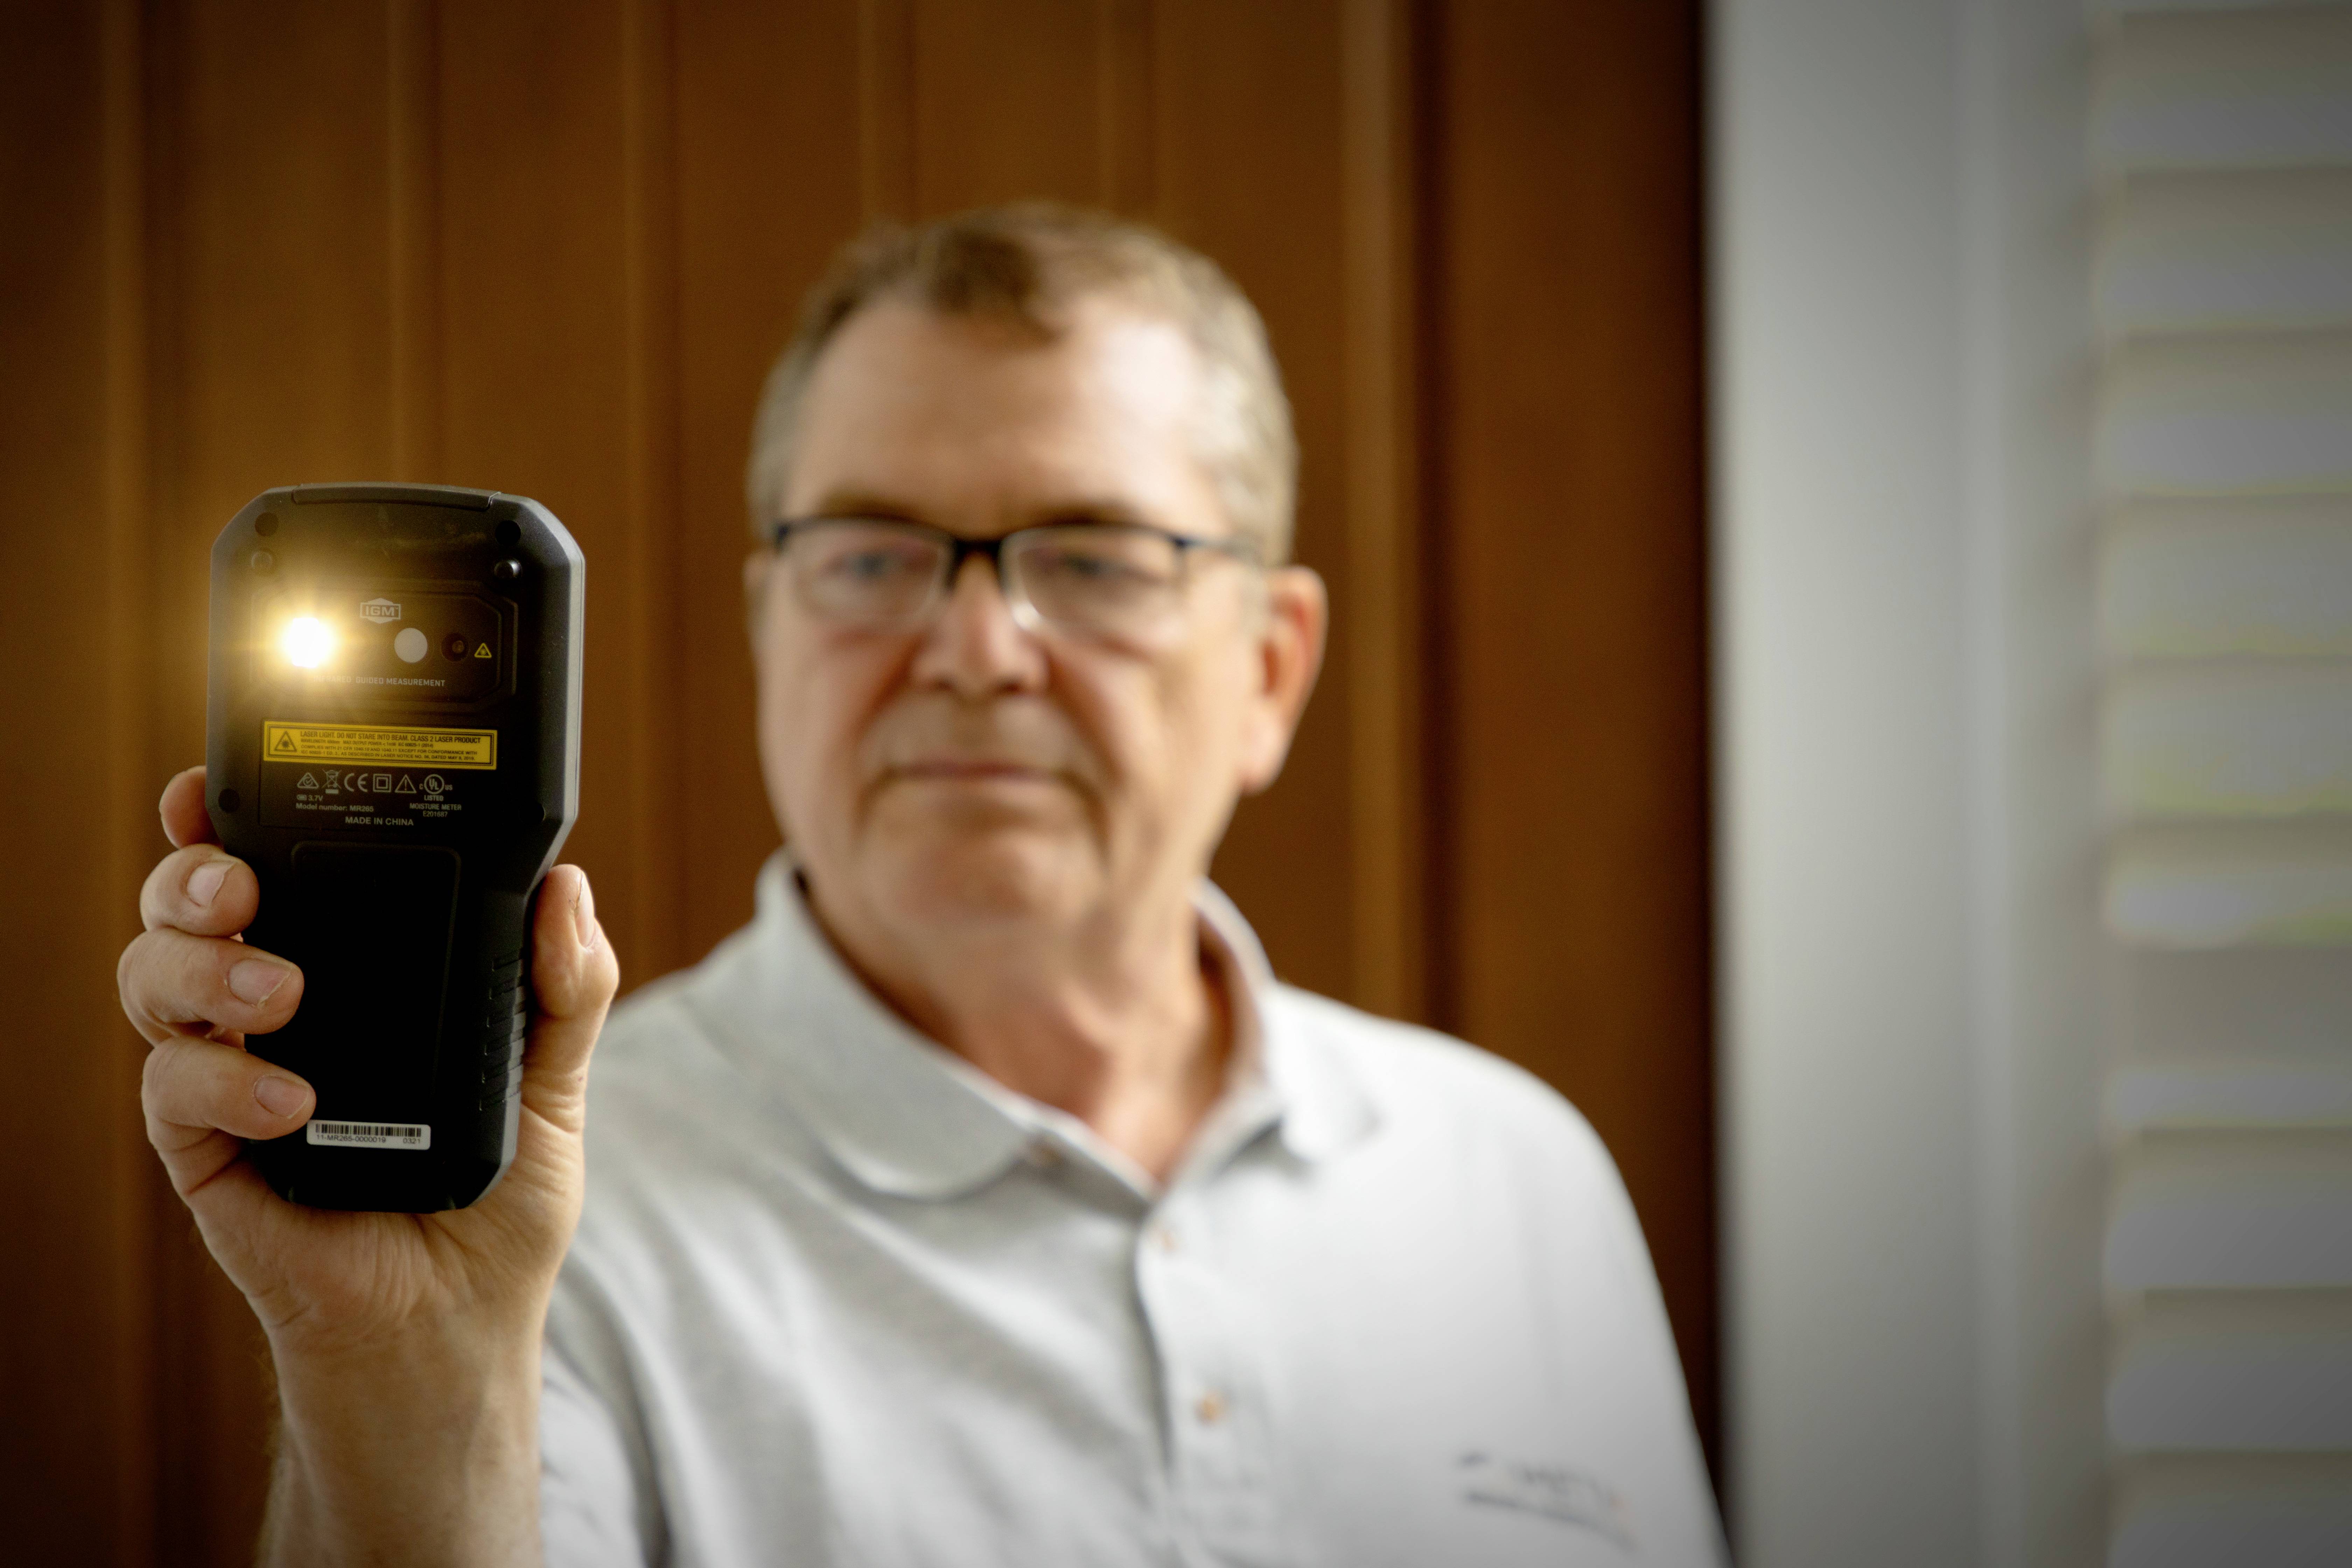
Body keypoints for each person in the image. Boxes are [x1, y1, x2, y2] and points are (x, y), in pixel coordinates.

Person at [118, 205, 1724, 1566]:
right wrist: (401, 1368)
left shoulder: (1519, 1184)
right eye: (875, 554)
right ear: (773, 631)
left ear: (1269, 670)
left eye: (1093, 557)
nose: (972, 651)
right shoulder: (546, 1213)